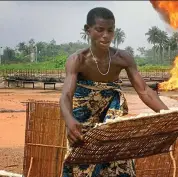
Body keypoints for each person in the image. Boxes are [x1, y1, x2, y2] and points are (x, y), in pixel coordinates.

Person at [59, 7, 169, 177]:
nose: (106, 36)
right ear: (87, 30)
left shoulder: (123, 58)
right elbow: (66, 95)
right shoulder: (78, 60)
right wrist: (69, 121)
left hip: (111, 121)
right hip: (83, 124)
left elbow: (145, 91)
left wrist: (168, 115)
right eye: (99, 30)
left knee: (119, 163)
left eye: (110, 30)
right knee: (82, 167)